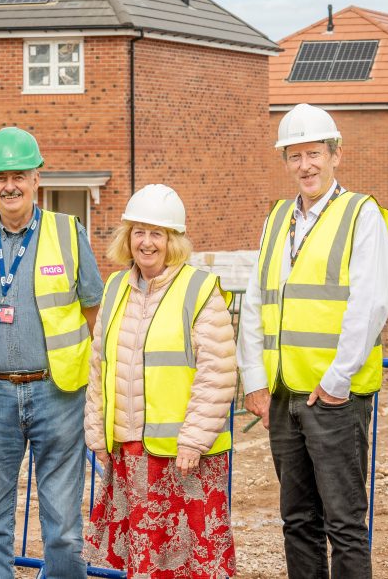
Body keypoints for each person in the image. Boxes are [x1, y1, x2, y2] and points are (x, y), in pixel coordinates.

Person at [237, 103, 388, 578]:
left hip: (334, 399)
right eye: (294, 156)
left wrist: (337, 380)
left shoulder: (361, 215)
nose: (305, 166)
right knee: (297, 521)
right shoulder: (277, 219)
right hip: (284, 397)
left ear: (335, 155)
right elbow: (253, 302)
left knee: (344, 523)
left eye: (314, 154)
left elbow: (370, 305)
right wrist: (254, 380)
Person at [0, 127, 104, 577]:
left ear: (37, 178)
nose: (9, 185)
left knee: (63, 524)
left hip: (58, 393)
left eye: (19, 174)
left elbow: (95, 313)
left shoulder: (67, 232)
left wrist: (101, 385)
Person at [84, 184, 237, 578]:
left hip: (187, 456)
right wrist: (98, 435)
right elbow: (100, 365)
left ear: (174, 240)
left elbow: (217, 372)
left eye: (158, 234)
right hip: (133, 452)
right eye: (139, 232)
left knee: (194, 561)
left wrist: (193, 439)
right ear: (127, 237)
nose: (147, 243)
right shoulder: (115, 287)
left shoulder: (199, 289)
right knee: (146, 561)